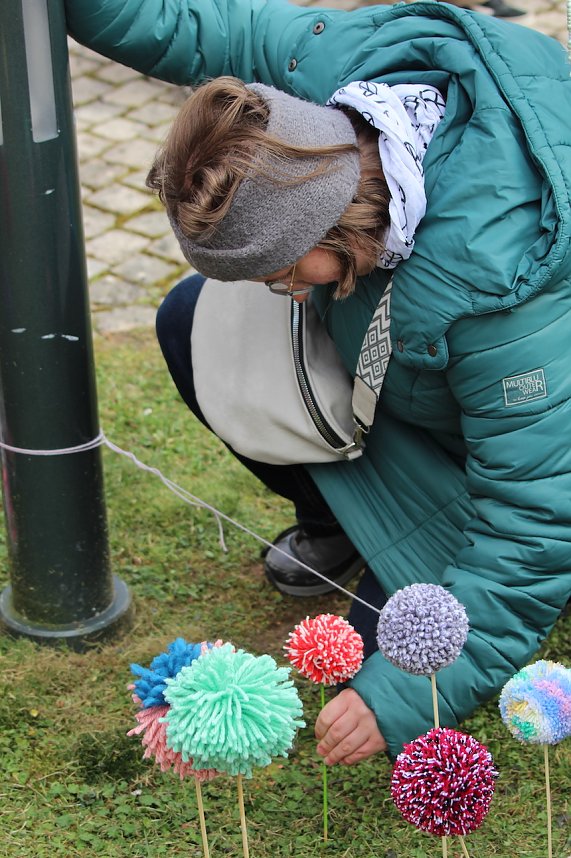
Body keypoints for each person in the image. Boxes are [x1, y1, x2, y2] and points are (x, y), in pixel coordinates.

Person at [65, 0, 571, 762]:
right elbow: (203, 27)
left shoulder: (501, 297)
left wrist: (396, 697)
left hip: (503, 474)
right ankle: (336, 527)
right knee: (192, 322)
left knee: (374, 661)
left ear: (329, 225)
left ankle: (404, 545)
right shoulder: (332, 86)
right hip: (407, 392)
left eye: (281, 274)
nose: (285, 294)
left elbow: (530, 533)